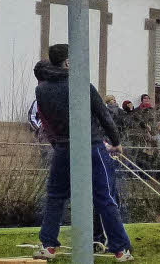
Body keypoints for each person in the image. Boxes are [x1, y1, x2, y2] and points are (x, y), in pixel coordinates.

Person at [33, 44, 133, 261]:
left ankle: (48, 246)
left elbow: (46, 124)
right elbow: (105, 117)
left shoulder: (41, 90)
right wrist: (116, 142)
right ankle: (120, 249)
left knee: (55, 197)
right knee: (104, 197)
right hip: (91, 147)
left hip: (62, 148)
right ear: (68, 63)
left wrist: (58, 144)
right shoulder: (81, 85)